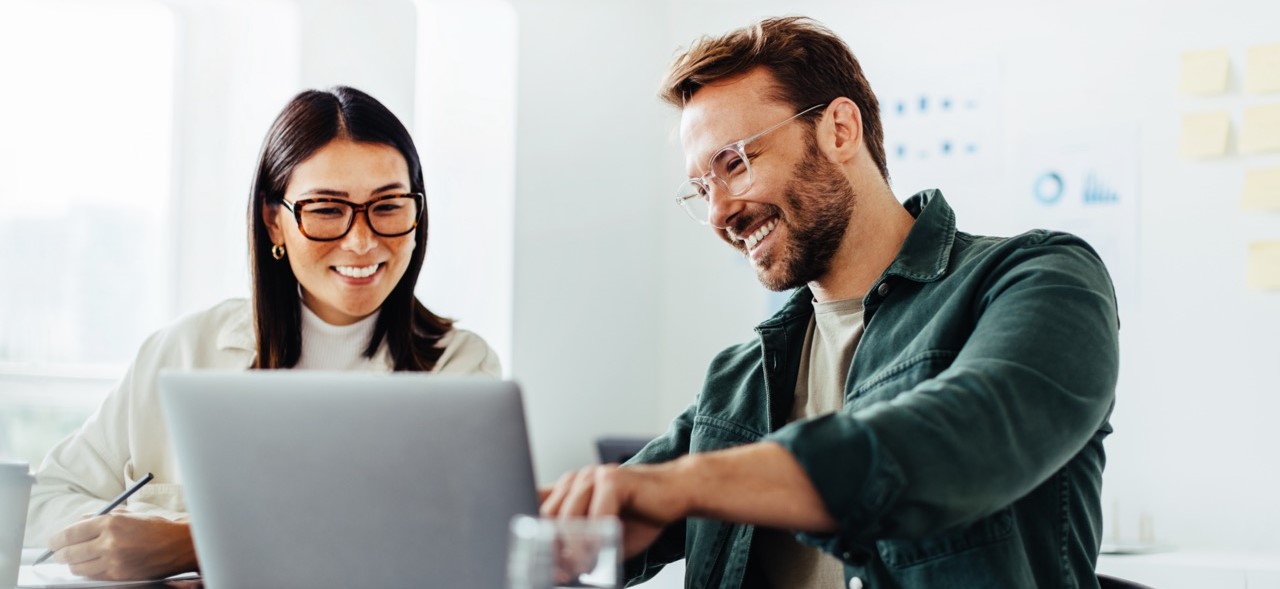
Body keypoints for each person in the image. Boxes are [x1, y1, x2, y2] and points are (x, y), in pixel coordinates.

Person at [540, 16, 1119, 589]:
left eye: (736, 163)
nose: (718, 214)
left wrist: (684, 484)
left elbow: (957, 436)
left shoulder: (1038, 277)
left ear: (839, 130)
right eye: (701, 190)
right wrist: (534, 526)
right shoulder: (737, 380)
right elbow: (618, 509)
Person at [25, 86, 501, 581]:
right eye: (326, 210)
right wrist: (129, 538)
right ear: (274, 222)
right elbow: (42, 503)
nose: (361, 240)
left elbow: (452, 543)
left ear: (417, 214)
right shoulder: (184, 350)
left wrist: (194, 542)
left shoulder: (461, 369)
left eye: (388, 206)